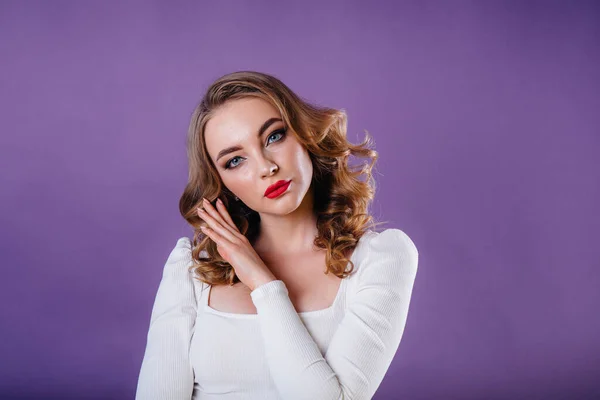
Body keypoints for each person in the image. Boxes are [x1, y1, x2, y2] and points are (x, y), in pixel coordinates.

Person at [135, 71, 419, 400]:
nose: (266, 167)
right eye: (235, 160)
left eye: (274, 137)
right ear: (222, 183)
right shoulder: (192, 268)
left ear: (304, 134)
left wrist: (263, 283)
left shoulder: (382, 257)